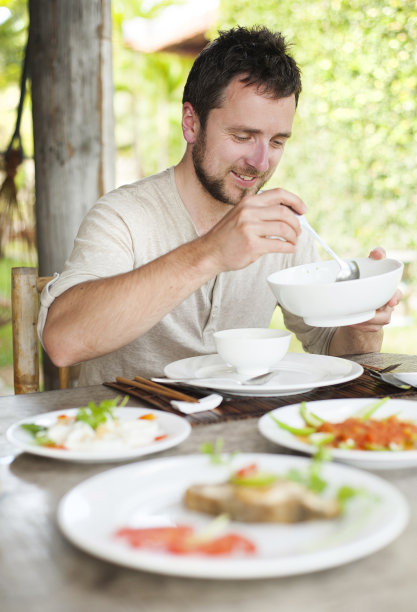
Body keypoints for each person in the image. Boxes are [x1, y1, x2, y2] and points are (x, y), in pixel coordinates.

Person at [39, 25, 401, 386]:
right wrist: (212, 252)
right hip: (128, 431)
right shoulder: (123, 217)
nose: (260, 163)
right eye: (243, 136)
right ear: (191, 123)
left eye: (276, 142)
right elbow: (63, 342)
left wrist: (362, 321)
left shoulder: (282, 228)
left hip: (239, 433)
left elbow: (334, 353)